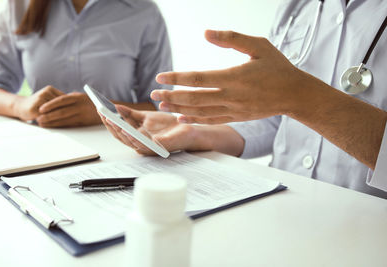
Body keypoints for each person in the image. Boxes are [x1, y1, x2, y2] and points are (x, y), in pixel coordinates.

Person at [101, 0, 387, 198]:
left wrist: (303, 98)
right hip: (286, 208)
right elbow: (281, 121)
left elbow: (294, 101)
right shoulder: (301, 7)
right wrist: (194, 132)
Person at [0, 0, 172, 127]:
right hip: (42, 148)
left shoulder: (144, 13)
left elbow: (161, 109)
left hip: (115, 153)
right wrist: (20, 105)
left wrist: (105, 112)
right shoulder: (19, 6)